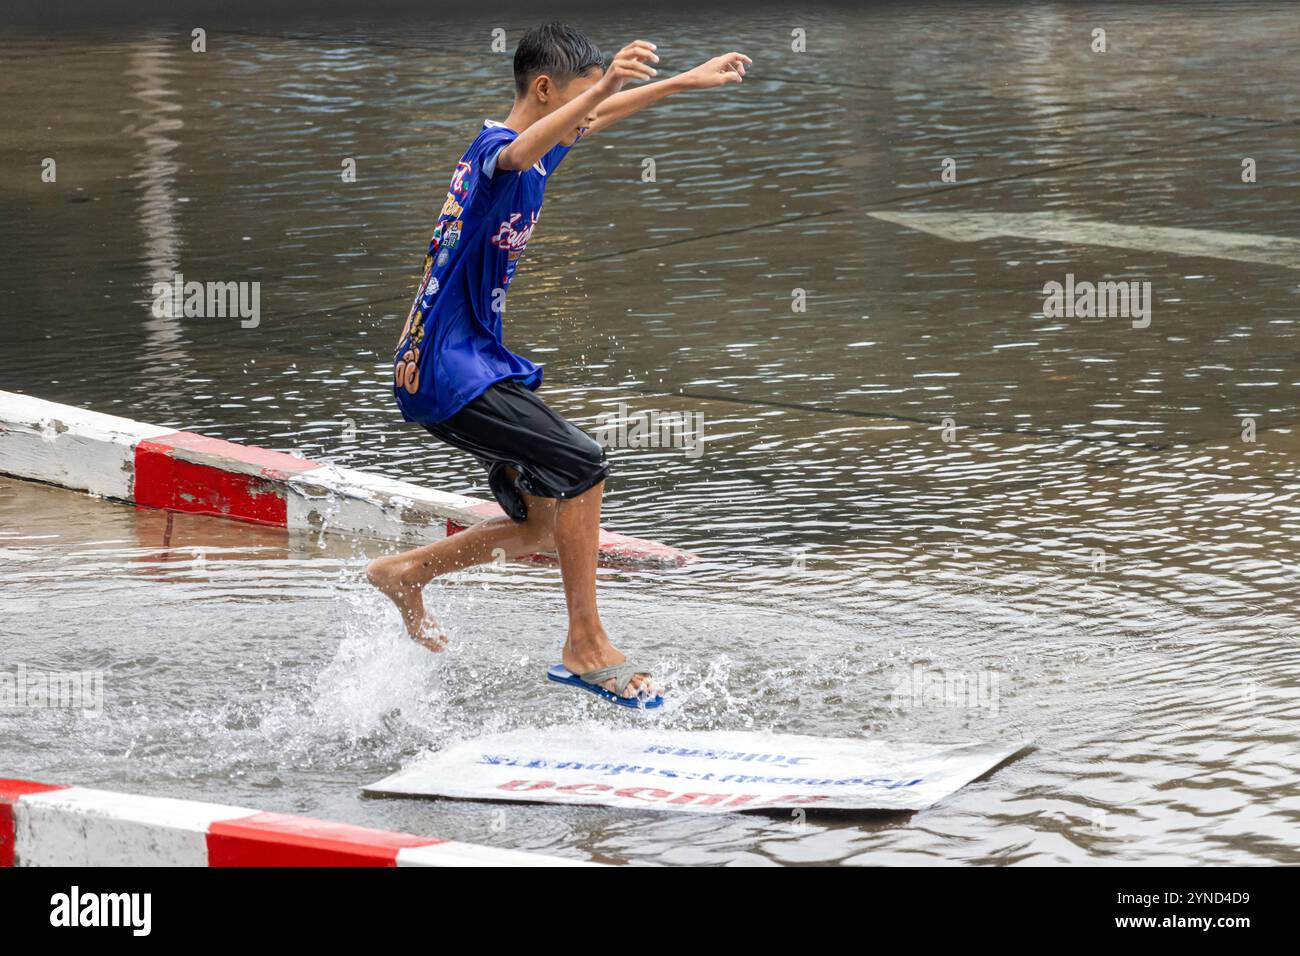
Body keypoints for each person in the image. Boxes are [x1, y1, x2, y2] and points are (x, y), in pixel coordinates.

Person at [367, 21, 750, 706]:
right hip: (451, 371)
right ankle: (584, 643)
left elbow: (589, 120)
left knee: (543, 522)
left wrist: (682, 82)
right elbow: (518, 150)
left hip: (466, 362)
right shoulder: (497, 152)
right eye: (580, 96)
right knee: (583, 464)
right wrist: (603, 84)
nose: (591, 113)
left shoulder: (545, 150)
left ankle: (407, 572)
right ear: (546, 89)